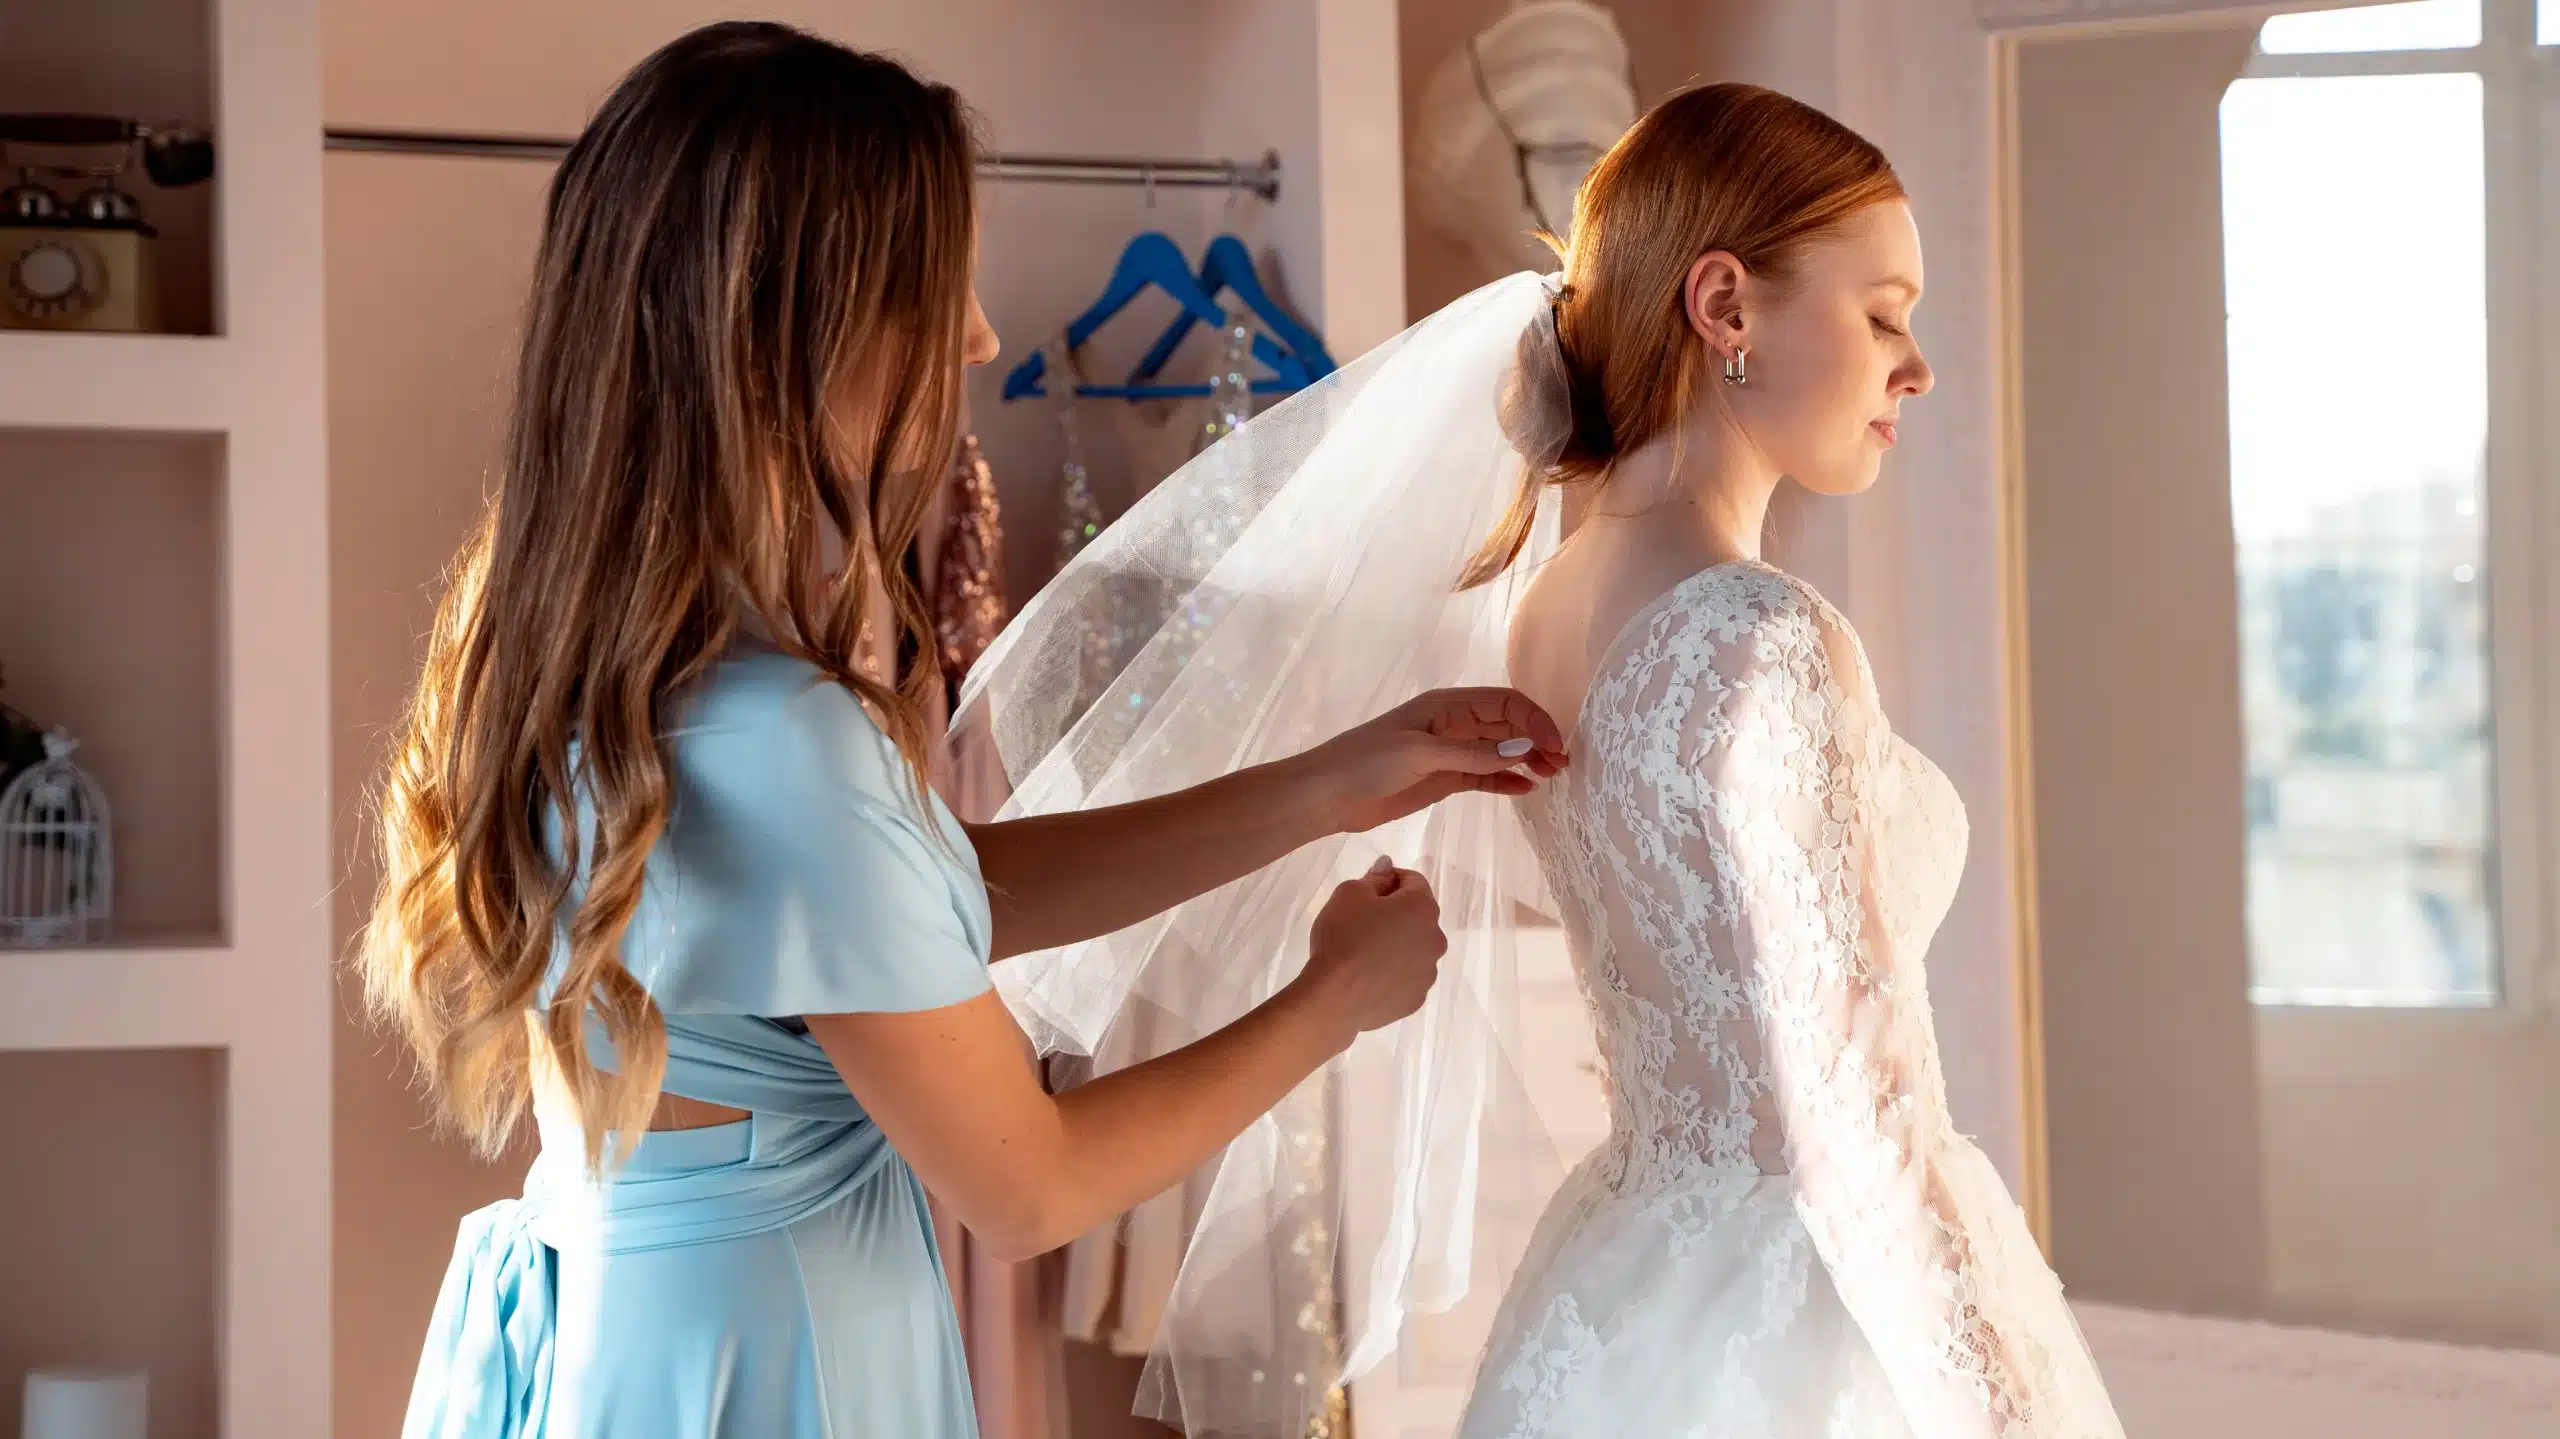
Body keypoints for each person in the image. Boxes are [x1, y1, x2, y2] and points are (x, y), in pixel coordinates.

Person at [358, 22, 1571, 1439]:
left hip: (651, 1333)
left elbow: (929, 900)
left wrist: (1322, 785)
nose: (985, 332)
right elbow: (1029, 1184)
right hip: (775, 1359)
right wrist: (1329, 1000)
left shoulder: (587, 661)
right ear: (791, 334)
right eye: (943, 287)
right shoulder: (781, 742)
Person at [962, 84, 2128, 1436]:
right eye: (1882, 314)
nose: (1914, 366)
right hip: (1807, 1323)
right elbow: (1857, 1117)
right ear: (1726, 306)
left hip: (1628, 1281)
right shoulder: (1760, 637)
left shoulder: (1557, 602)